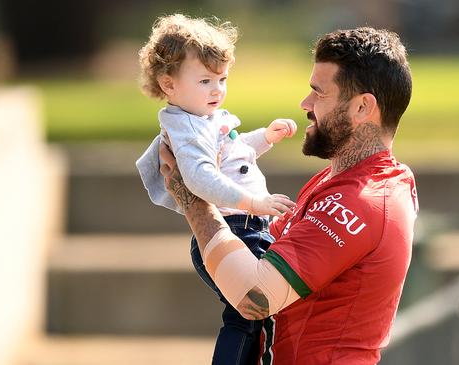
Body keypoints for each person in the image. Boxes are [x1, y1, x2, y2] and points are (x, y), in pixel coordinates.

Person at [160, 26, 418, 364]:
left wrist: (191, 196)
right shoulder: (345, 181)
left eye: (318, 92)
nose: (305, 104)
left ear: (361, 108)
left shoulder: (358, 201)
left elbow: (257, 297)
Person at [134, 14, 297, 365]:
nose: (217, 90)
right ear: (169, 85)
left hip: (243, 228)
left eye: (222, 79)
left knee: (251, 314)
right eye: (205, 80)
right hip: (233, 230)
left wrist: (265, 138)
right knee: (249, 311)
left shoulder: (204, 119)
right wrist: (254, 202)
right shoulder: (187, 130)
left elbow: (232, 151)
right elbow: (200, 178)